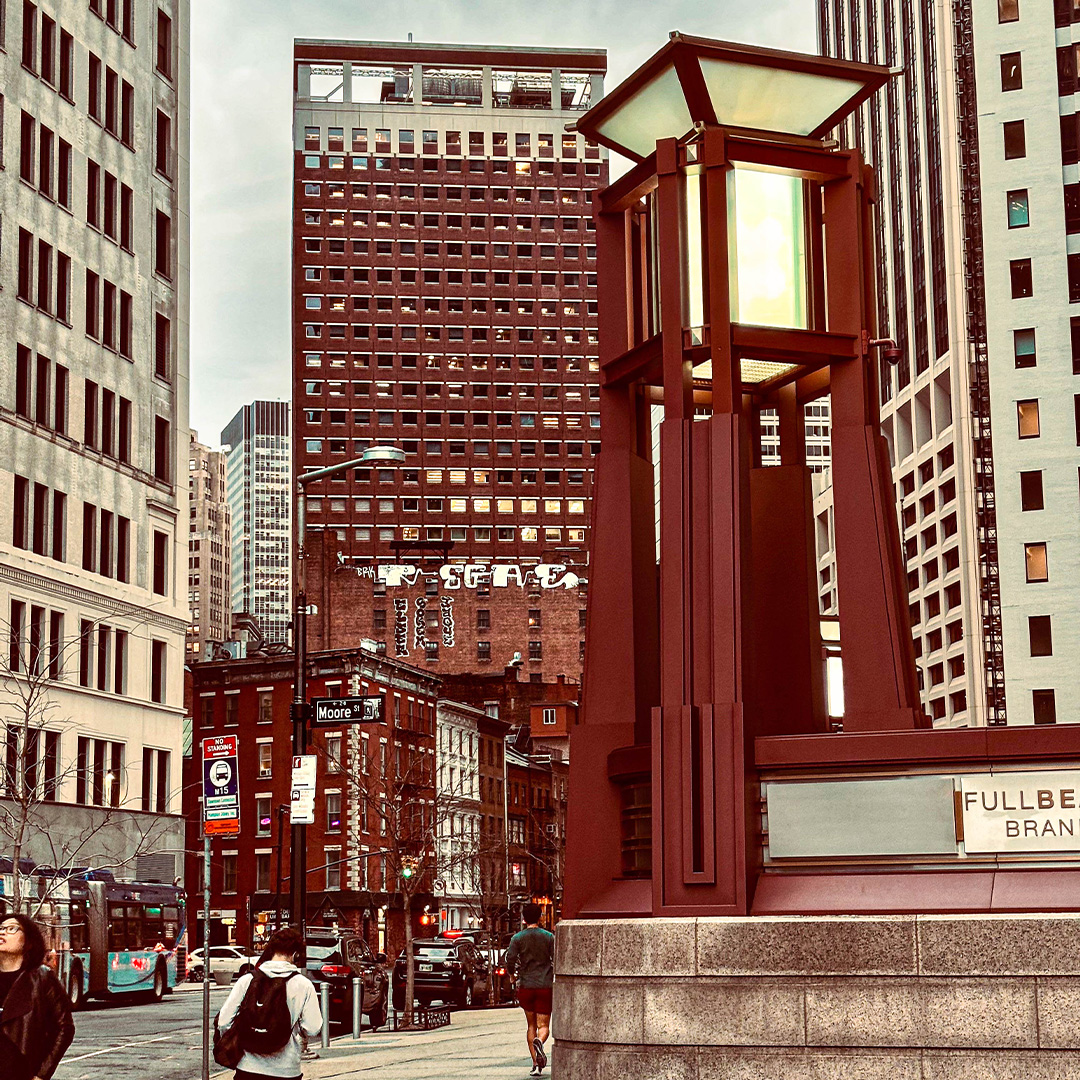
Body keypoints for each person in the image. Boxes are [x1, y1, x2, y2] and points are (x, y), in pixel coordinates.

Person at [217, 927, 322, 1080]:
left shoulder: (247, 980)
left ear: (271, 950)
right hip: (286, 1070)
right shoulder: (303, 985)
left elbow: (224, 1022)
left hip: (248, 1068)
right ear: (296, 954)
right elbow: (313, 1028)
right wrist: (296, 1029)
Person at [0, 914, 75, 1080]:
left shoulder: (42, 978)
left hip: (19, 1072)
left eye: (11, 928)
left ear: (29, 942)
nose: (2, 932)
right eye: (1, 928)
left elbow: (64, 1027)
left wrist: (42, 1074)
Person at [505, 903, 555, 1077]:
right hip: (544, 985)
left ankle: (535, 1064)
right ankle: (540, 1041)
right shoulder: (549, 937)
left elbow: (510, 959)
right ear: (540, 917)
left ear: (524, 918)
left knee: (531, 1025)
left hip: (526, 985)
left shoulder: (517, 938)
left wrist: (512, 975)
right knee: (544, 1026)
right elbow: (556, 957)